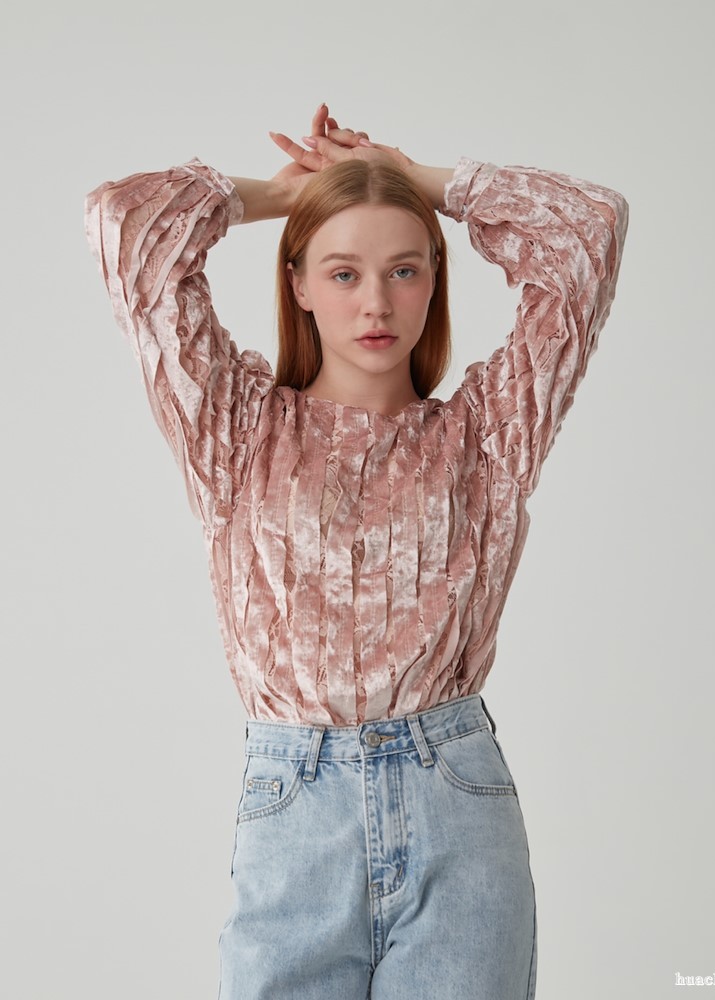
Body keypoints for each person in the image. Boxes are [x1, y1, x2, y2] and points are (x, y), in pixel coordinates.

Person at [84, 104, 629, 1000]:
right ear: (298, 283)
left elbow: (589, 231)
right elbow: (124, 222)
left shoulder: (491, 435)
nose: (376, 302)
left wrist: (415, 182)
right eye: (343, 272)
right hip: (294, 815)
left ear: (433, 283)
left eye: (403, 270)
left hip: (456, 808)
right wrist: (288, 198)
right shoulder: (235, 431)